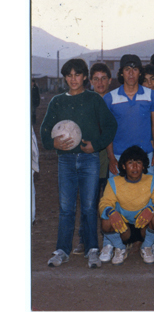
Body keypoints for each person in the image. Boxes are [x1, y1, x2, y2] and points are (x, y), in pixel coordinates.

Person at [40, 58, 118, 268]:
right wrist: (52, 142)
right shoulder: (57, 101)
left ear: (85, 77)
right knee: (66, 208)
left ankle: (92, 249)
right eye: (69, 75)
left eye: (77, 74)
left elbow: (111, 125)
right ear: (65, 78)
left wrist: (97, 145)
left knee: (89, 206)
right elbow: (45, 129)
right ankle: (62, 250)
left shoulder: (94, 100)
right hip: (65, 160)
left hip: (89, 159)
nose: (73, 79)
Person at [98, 146, 154, 265]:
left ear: (144, 166)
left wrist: (152, 209)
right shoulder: (114, 181)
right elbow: (104, 203)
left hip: (145, 227)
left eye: (138, 163)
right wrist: (111, 212)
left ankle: (147, 246)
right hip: (124, 229)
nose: (135, 167)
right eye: (130, 163)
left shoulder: (153, 180)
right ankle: (120, 248)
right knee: (106, 220)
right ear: (123, 166)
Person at [72, 62, 114, 255]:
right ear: (90, 81)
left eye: (104, 78)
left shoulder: (114, 99)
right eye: (96, 79)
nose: (100, 82)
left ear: (110, 80)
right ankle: (84, 240)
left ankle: (109, 241)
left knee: (109, 202)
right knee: (89, 202)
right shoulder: (85, 100)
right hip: (90, 157)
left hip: (110, 158)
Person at [104, 55, 154, 177]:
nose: (131, 74)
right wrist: (111, 157)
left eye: (135, 69)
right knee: (117, 194)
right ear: (121, 73)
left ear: (140, 73)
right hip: (118, 155)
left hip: (146, 154)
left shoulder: (151, 95)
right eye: (127, 69)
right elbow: (106, 131)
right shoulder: (110, 98)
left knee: (147, 193)